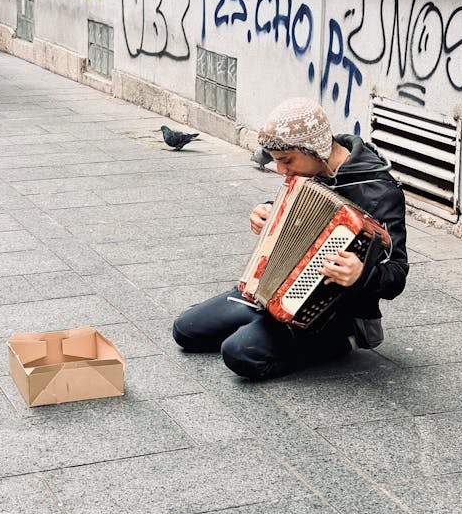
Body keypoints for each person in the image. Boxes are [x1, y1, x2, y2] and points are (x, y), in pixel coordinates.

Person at [172, 97, 408, 379]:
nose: (281, 171)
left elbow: (397, 273)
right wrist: (268, 214)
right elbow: (295, 219)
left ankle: (339, 343)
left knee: (239, 354)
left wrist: (361, 274)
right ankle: (266, 321)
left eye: (286, 161)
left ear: (316, 149)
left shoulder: (380, 191)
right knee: (185, 331)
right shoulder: (309, 171)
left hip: (333, 313)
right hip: (274, 294)